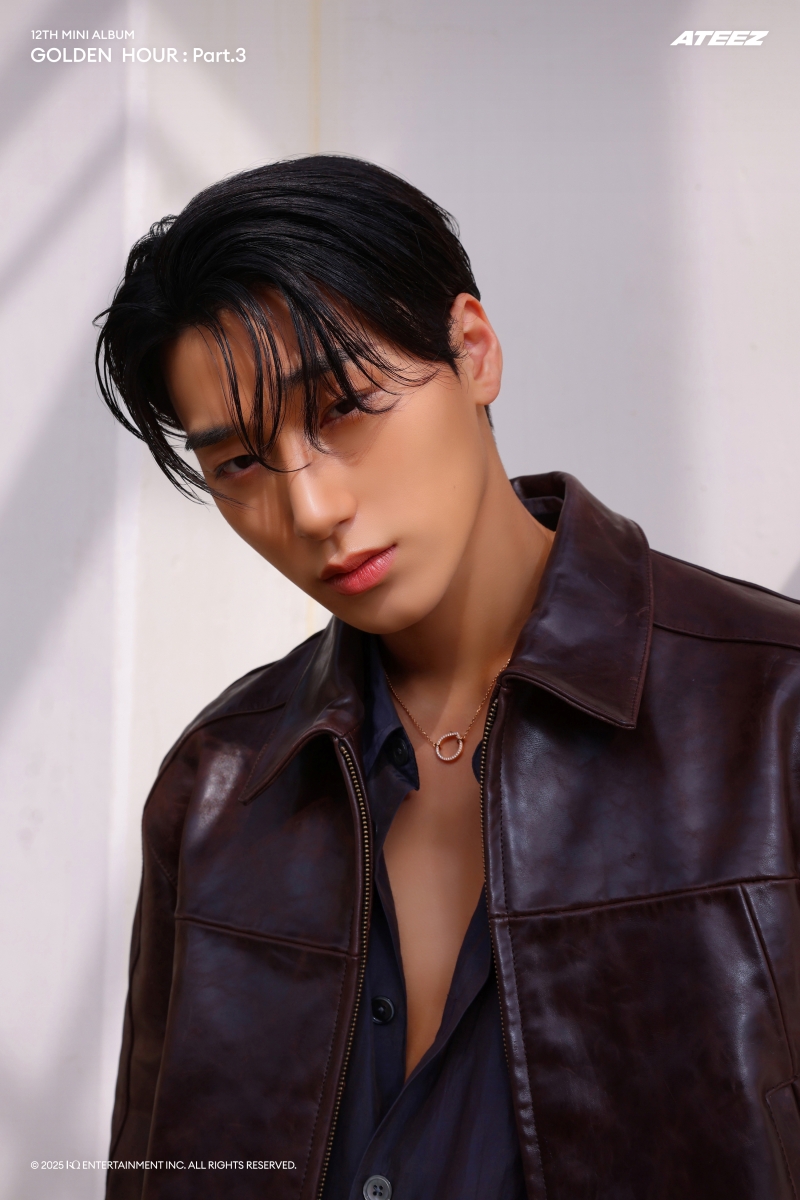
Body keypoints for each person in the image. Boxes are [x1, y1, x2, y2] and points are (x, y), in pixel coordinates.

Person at [96, 156, 800, 1200]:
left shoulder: (774, 713)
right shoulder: (215, 787)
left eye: (343, 406)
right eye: (238, 463)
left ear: (472, 350)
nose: (311, 509)